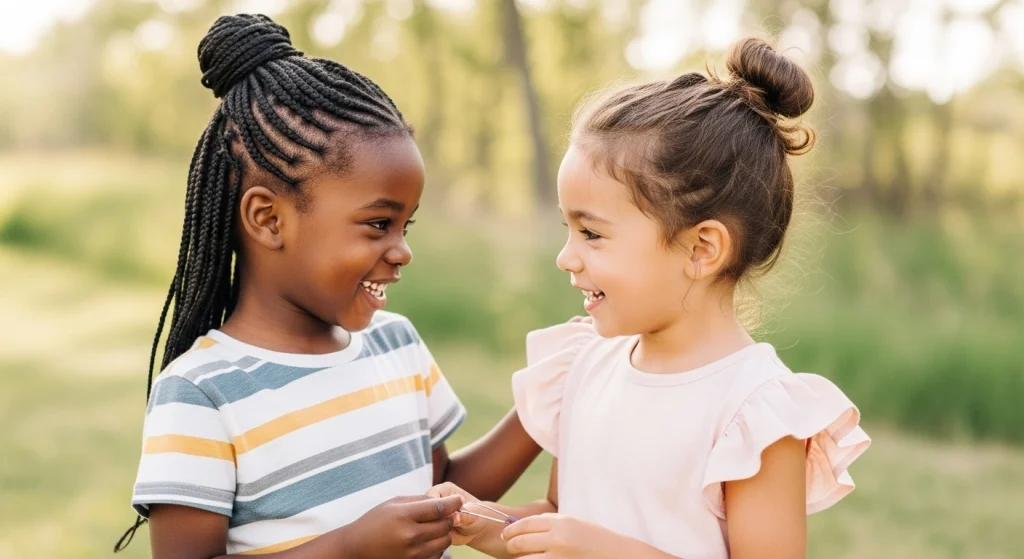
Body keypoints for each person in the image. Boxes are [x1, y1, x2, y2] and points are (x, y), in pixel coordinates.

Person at [115, 14, 539, 559]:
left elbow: (444, 491)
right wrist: (347, 548)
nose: (402, 249)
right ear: (269, 220)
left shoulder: (397, 344)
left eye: (405, 226)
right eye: (378, 224)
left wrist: (539, 410)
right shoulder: (202, 392)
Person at [431, 37, 871, 559]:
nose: (566, 258)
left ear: (702, 249)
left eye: (591, 234)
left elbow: (590, 546)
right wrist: (487, 523)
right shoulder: (585, 367)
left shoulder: (752, 414)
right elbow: (561, 519)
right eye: (568, 230)